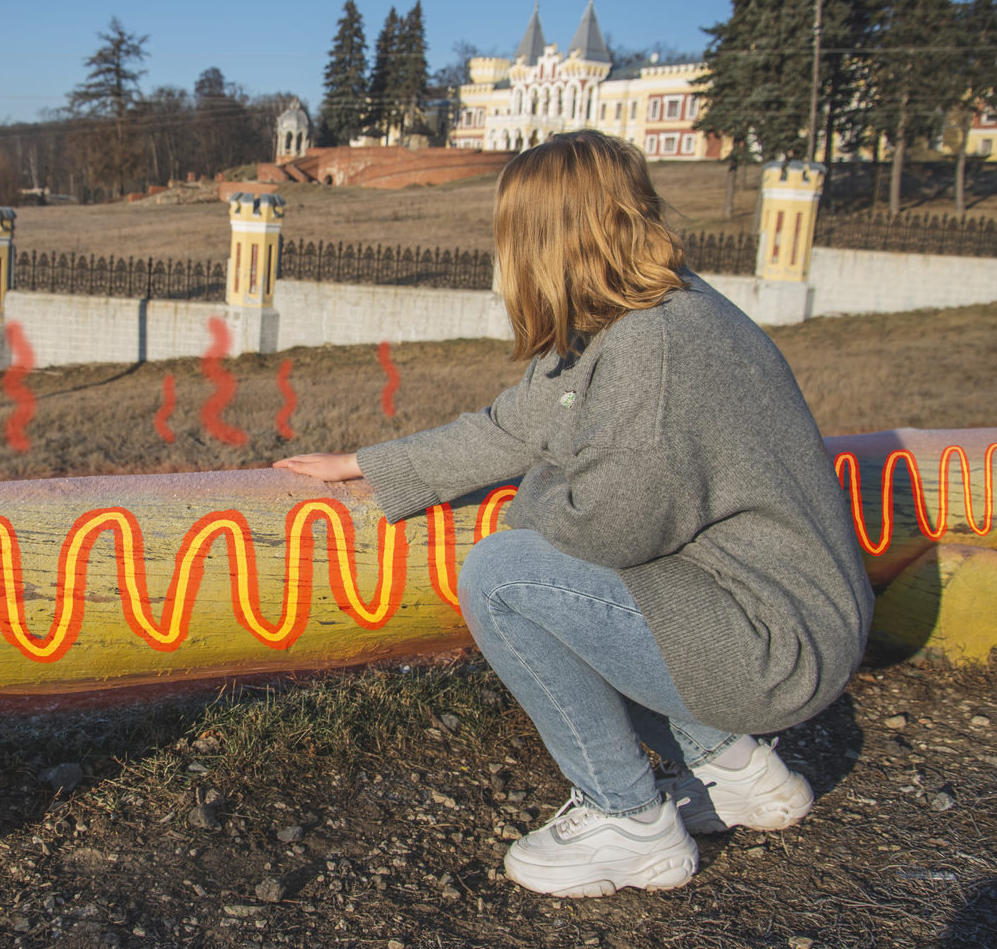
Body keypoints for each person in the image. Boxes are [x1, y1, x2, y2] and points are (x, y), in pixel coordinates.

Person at [274, 130, 871, 899]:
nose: (501, 260)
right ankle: (734, 769)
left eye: (508, 237)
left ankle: (628, 818)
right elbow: (521, 422)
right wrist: (369, 462)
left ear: (546, 240)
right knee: (554, 577)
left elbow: (607, 530)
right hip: (776, 606)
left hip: (775, 641)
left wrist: (533, 500)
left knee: (503, 576)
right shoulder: (636, 312)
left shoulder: (651, 352)